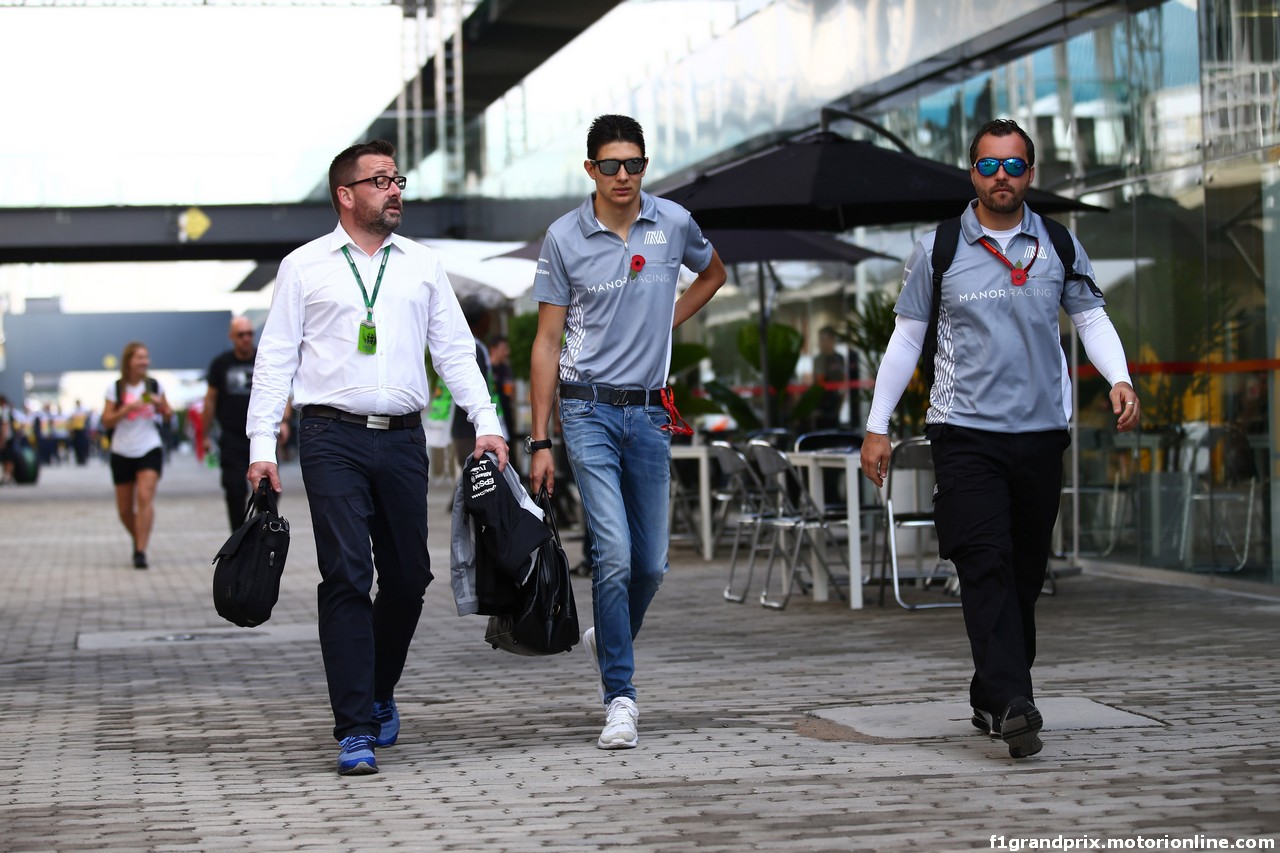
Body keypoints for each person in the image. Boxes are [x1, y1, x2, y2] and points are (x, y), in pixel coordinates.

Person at [859, 118, 1140, 759]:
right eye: (989, 166)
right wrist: (877, 426)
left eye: (1014, 166)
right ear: (972, 173)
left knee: (1022, 576)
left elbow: (1091, 317)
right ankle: (1016, 701)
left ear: (1030, 174)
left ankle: (993, 694)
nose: (1002, 178)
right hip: (965, 435)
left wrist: (1119, 379)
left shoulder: (1060, 245)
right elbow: (906, 339)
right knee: (983, 562)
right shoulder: (940, 249)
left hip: (1041, 435)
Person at [246, 139, 506, 777]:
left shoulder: (421, 264)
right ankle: (354, 727)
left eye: (398, 179)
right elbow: (275, 357)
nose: (395, 190)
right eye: (381, 180)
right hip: (330, 436)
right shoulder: (304, 266)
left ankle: (379, 687)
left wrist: (489, 424)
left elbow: (453, 351)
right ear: (346, 194)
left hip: (403, 438)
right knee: (345, 576)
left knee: (410, 578)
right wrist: (261, 445)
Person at [528, 114, 726, 750]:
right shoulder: (563, 236)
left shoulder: (672, 223)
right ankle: (620, 696)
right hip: (586, 409)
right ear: (590, 169)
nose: (623, 176)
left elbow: (715, 273)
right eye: (610, 165)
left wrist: (668, 318)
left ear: (645, 166)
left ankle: (607, 637)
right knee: (612, 553)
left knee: (653, 564)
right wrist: (539, 439)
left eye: (634, 164)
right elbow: (547, 339)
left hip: (649, 412)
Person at [203, 317, 293, 532]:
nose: (246, 339)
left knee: (268, 490)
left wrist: (285, 422)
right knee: (234, 489)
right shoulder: (221, 364)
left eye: (249, 334)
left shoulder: (264, 359)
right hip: (232, 437)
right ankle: (237, 535)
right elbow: (210, 399)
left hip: (262, 437)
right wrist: (205, 435)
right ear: (232, 337)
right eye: (240, 335)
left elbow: (282, 394)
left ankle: (262, 533)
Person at [101, 341, 173, 569]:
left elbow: (169, 416)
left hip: (149, 447)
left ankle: (140, 551)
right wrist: (126, 409)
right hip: (121, 449)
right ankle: (139, 538)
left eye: (146, 357)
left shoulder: (154, 386)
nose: (144, 361)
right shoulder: (116, 388)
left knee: (145, 496)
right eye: (139, 357)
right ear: (129, 362)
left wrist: (161, 405)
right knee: (124, 510)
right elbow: (106, 420)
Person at [811, 326, 847, 429]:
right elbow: (817, 381)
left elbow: (842, 380)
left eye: (825, 339)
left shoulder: (839, 359)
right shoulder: (818, 360)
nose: (822, 343)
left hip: (835, 401)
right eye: (821, 340)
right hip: (821, 402)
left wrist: (840, 399)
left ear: (832, 340)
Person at [488, 335, 516, 441]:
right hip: (493, 417)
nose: (507, 353)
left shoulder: (506, 370)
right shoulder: (487, 369)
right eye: (504, 349)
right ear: (493, 349)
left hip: (506, 414)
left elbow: (511, 393)